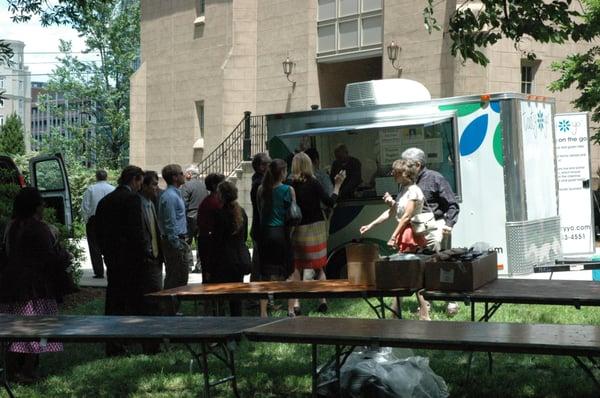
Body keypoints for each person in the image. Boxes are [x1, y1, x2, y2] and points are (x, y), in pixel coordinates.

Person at [0, 188, 70, 382]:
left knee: (14, 330)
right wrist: (65, 256)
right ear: (36, 206)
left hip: (12, 286)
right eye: (42, 203)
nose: (44, 207)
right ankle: (29, 370)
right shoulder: (39, 228)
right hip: (35, 288)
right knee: (37, 329)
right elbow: (50, 258)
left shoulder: (11, 226)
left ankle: (11, 369)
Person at [359, 159, 430, 320]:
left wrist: (393, 236)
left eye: (395, 172)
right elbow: (392, 213)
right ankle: (401, 312)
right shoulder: (403, 189)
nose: (392, 174)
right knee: (405, 275)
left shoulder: (413, 191)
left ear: (405, 174)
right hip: (405, 233)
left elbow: (406, 217)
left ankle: (421, 313)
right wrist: (370, 225)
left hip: (411, 234)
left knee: (410, 275)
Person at [402, 147, 460, 315]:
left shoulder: (435, 178)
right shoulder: (407, 181)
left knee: (441, 264)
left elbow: (452, 204)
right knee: (421, 266)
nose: (404, 168)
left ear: (418, 164)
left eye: (407, 164)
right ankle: (425, 305)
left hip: (436, 225)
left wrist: (448, 224)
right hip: (416, 228)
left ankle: (451, 301)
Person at [95, 165, 146, 355]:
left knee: (114, 298)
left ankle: (113, 340)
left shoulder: (105, 201)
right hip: (130, 258)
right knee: (132, 299)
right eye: (140, 181)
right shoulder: (132, 199)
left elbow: (97, 230)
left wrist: (106, 252)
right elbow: (136, 231)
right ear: (134, 180)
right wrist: (142, 254)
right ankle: (128, 339)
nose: (141, 185)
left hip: (112, 257)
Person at [288, 152, 345, 316]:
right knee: (319, 266)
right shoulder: (314, 183)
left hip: (298, 228)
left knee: (297, 267)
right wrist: (337, 185)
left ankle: (296, 303)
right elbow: (330, 202)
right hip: (317, 227)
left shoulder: (289, 183)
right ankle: (322, 300)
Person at [257, 158, 295, 317]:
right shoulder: (288, 190)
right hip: (281, 232)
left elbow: (260, 212)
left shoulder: (261, 189)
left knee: (265, 274)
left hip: (265, 233)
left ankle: (263, 311)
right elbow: (293, 215)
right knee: (288, 272)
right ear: (283, 172)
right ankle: (291, 309)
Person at [209, 181, 251, 316]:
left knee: (221, 296)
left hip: (223, 259)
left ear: (221, 195)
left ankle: (223, 327)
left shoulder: (219, 214)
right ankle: (237, 326)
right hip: (238, 258)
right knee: (236, 298)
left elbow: (216, 240)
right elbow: (244, 237)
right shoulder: (242, 212)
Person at [158, 164, 193, 294]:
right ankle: (168, 309)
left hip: (179, 240)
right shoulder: (170, 197)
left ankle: (172, 309)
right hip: (175, 241)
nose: (184, 175)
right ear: (174, 177)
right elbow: (169, 222)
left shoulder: (175, 194)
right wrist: (176, 244)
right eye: (181, 173)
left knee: (180, 277)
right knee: (175, 277)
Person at [81, 169, 114, 278]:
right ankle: (112, 269)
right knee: (110, 244)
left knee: (94, 246)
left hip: (94, 220)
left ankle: (99, 272)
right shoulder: (112, 189)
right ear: (106, 177)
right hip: (109, 220)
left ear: (96, 177)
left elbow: (85, 207)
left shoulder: (90, 189)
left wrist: (87, 220)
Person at [196, 173, 225, 283]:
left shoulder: (208, 201)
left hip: (207, 240)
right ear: (215, 185)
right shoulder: (214, 202)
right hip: (210, 242)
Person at [180, 165, 208, 273]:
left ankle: (188, 265)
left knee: (187, 241)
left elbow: (183, 203)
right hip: (202, 216)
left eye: (186, 173)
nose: (184, 175)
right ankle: (200, 266)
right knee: (200, 242)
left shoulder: (186, 186)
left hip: (190, 217)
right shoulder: (203, 185)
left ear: (189, 174)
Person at [249, 153, 271, 282]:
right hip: (261, 228)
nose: (269, 166)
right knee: (260, 264)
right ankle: (256, 296)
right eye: (266, 164)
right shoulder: (260, 183)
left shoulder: (259, 180)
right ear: (260, 166)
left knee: (259, 263)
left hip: (260, 227)